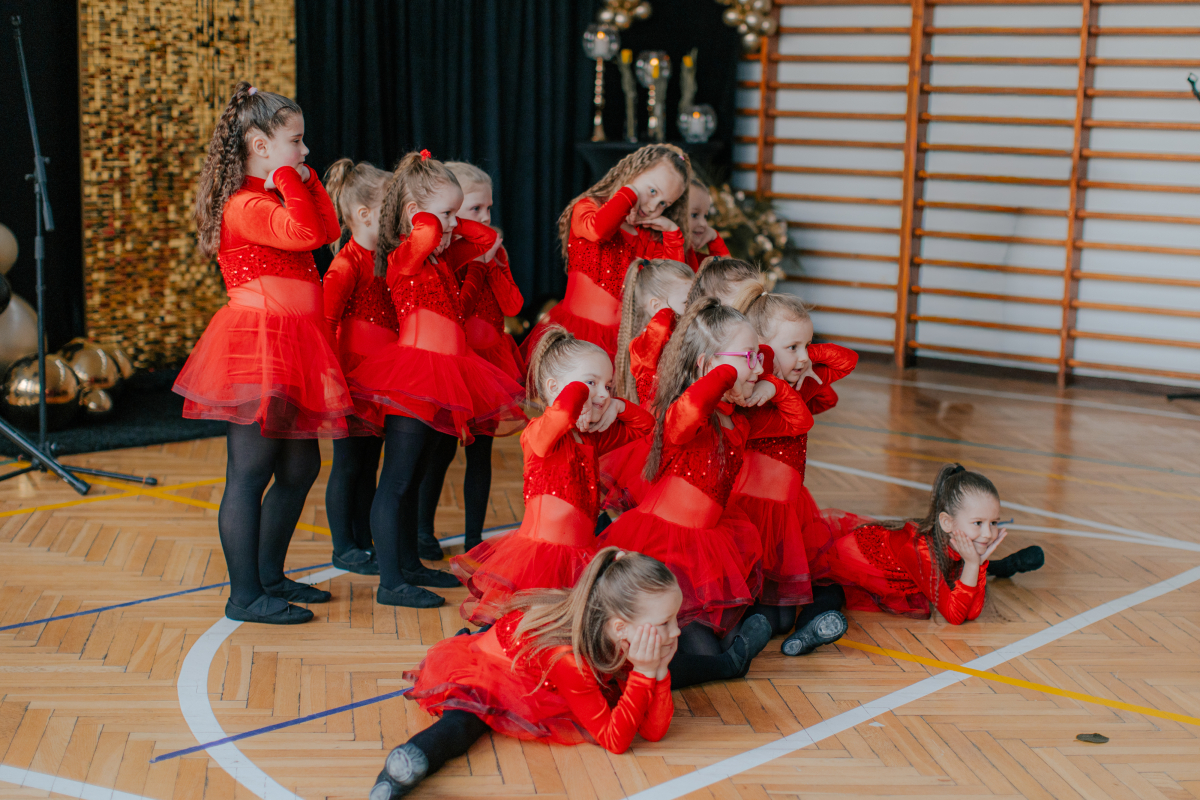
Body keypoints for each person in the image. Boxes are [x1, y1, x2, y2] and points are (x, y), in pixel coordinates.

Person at [175, 81, 348, 624]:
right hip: (259, 343)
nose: (305, 150)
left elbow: (329, 229)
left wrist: (305, 179)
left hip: (296, 343)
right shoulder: (246, 205)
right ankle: (245, 595)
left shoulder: (274, 195)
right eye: (296, 142)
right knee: (250, 473)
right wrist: (290, 179)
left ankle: (270, 576)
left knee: (300, 468)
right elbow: (306, 234)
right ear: (259, 144)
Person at [345, 150, 525, 608]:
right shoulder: (406, 253)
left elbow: (485, 236)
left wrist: (449, 219)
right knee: (397, 481)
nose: (451, 225)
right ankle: (391, 582)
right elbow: (428, 231)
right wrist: (431, 219)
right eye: (445, 214)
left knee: (415, 476)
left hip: (442, 374)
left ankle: (409, 565)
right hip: (414, 377)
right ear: (415, 214)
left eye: (453, 215)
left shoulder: (440, 257)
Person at [599, 300, 811, 686]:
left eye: (758, 357)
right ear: (706, 365)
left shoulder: (738, 420)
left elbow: (800, 421)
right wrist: (726, 372)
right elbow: (690, 412)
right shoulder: (687, 413)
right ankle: (729, 664)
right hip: (663, 547)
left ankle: (728, 655)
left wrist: (773, 384)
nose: (758, 367)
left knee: (714, 638)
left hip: (706, 547)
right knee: (701, 654)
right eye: (749, 357)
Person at [371, 548, 679, 800]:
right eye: (665, 622)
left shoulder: (615, 632)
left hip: (531, 649)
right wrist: (645, 672)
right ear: (620, 627)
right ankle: (410, 761)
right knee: (469, 718)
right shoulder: (570, 659)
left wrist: (660, 670)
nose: (677, 630)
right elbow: (615, 740)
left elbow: (653, 732)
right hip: (495, 667)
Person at [451, 327, 655, 625]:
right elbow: (561, 413)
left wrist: (618, 405)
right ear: (553, 386)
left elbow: (645, 426)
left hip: (581, 555)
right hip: (541, 557)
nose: (602, 393)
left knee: (572, 629)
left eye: (608, 386)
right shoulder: (538, 432)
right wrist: (580, 395)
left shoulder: (591, 438)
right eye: (591, 382)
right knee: (531, 629)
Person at [732, 290, 858, 655]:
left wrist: (800, 355)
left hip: (789, 513)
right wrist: (771, 374)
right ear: (759, 349)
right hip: (752, 515)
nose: (804, 357)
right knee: (770, 612)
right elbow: (797, 419)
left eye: (808, 344)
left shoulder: (797, 380)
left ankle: (808, 630)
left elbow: (847, 360)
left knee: (808, 598)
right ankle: (746, 634)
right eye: (793, 347)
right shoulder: (751, 393)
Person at [415, 162, 524, 561]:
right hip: (456, 366)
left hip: (491, 366)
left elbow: (513, 305)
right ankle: (422, 532)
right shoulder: (445, 255)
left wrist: (494, 264)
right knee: (439, 451)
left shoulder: (494, 249)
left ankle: (475, 539)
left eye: (489, 208)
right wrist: (478, 266)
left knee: (481, 456)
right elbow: (456, 311)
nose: (486, 217)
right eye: (476, 209)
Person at [813, 464, 1044, 625]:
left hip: (912, 563)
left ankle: (1000, 566)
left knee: (958, 573)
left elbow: (971, 613)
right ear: (947, 523)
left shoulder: (954, 540)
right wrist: (974, 565)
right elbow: (955, 616)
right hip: (843, 563)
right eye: (978, 523)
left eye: (993, 523)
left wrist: (979, 565)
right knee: (830, 593)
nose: (988, 533)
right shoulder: (921, 551)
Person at [522, 144, 691, 360]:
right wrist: (630, 193)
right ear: (631, 172)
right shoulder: (588, 207)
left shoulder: (648, 237)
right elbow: (598, 230)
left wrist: (672, 233)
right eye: (652, 191)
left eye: (663, 203)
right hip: (576, 337)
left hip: (623, 346)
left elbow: (672, 282)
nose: (652, 207)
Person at [321, 158, 396, 575]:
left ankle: (364, 538)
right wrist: (331, 381)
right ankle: (343, 546)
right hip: (350, 380)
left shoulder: (387, 260)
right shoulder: (346, 264)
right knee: (348, 464)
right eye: (391, 209)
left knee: (369, 464)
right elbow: (325, 324)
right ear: (366, 215)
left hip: (384, 379)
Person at [682, 179, 730, 272]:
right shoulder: (660, 257)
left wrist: (715, 240)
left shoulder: (692, 256)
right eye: (694, 215)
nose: (704, 223)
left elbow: (726, 273)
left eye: (705, 216)